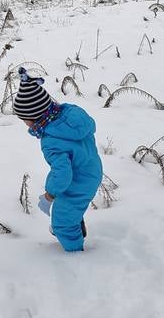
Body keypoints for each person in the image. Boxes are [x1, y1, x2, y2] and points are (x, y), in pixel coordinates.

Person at [13, 67, 103, 252]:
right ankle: (75, 221)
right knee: (68, 210)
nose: (25, 124)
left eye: (24, 119)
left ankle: (76, 256)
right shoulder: (71, 115)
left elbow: (62, 173)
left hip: (78, 181)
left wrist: (50, 195)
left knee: (63, 224)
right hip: (91, 170)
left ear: (34, 117)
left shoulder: (52, 141)